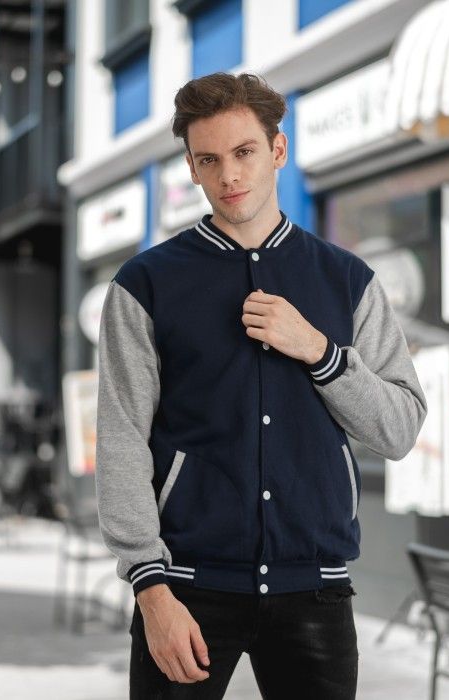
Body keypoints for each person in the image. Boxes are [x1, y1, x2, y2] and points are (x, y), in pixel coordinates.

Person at [95, 71, 428, 699]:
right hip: (186, 590)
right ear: (191, 168)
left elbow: (400, 429)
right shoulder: (145, 286)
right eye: (209, 160)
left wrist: (321, 353)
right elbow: (121, 442)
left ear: (278, 150)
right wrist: (150, 588)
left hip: (315, 590)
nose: (229, 175)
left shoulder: (348, 280)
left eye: (244, 152)